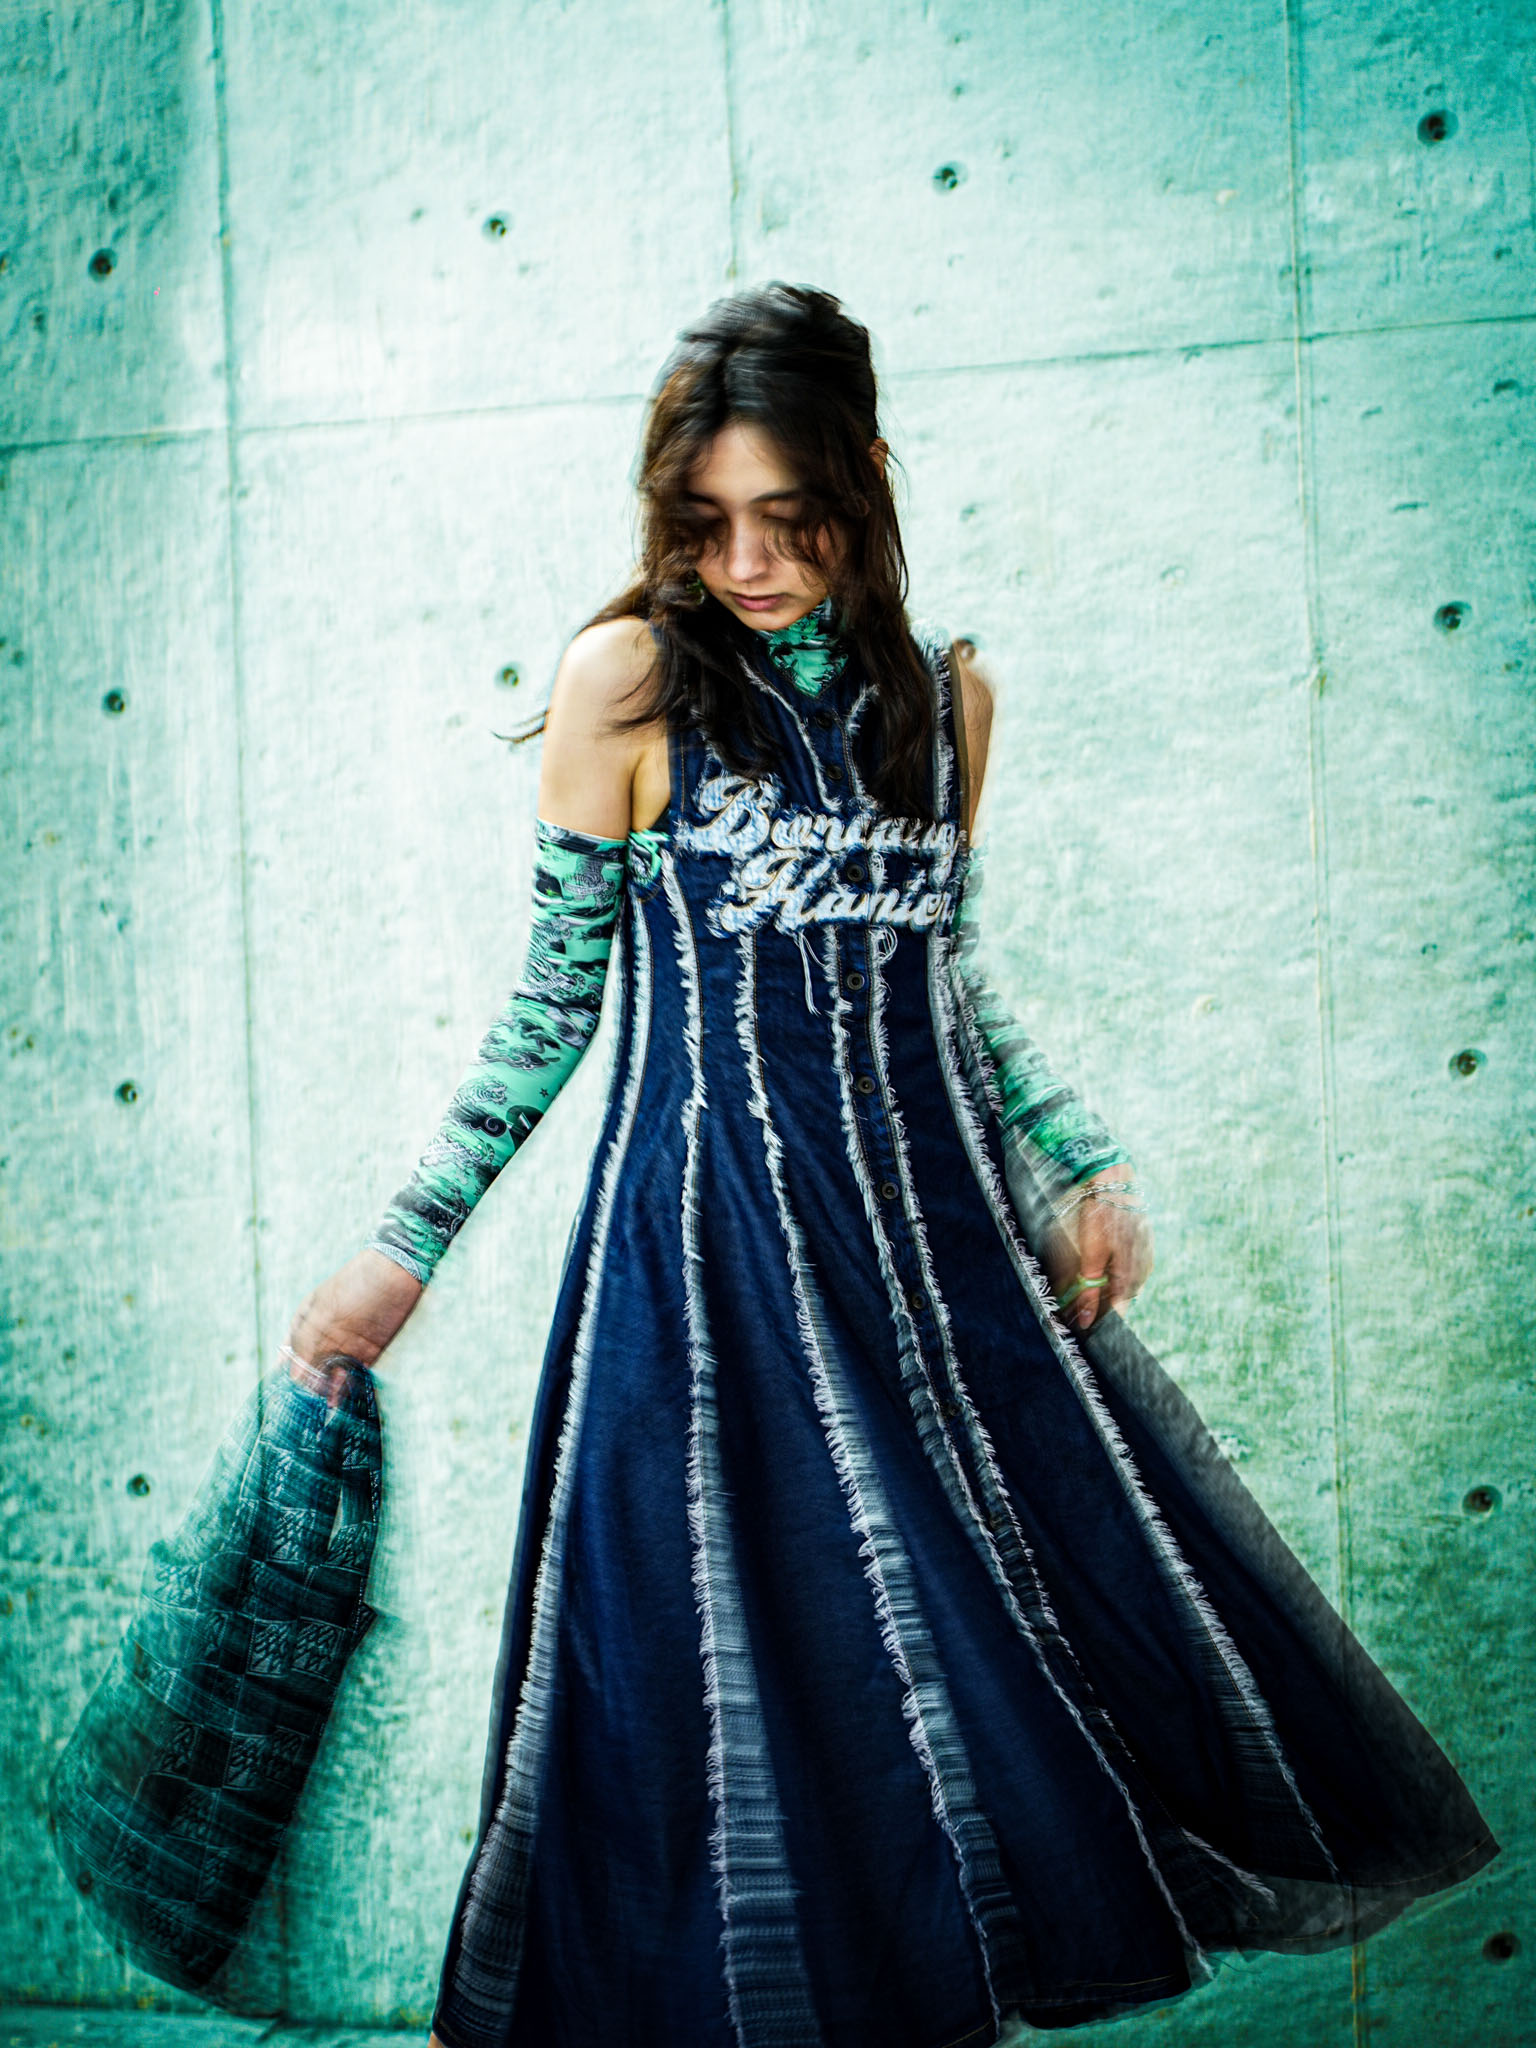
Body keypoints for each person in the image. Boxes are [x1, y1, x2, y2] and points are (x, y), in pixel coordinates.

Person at [285, 285, 1497, 2048]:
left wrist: (1075, 1162)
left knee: (991, 1707)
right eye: (707, 522)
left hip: (939, 1266)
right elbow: (551, 1005)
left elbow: (943, 979)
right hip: (708, 1271)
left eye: (793, 517)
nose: (749, 563)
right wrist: (403, 1250)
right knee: (725, 1712)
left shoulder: (944, 697)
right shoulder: (626, 683)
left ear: (866, 478)